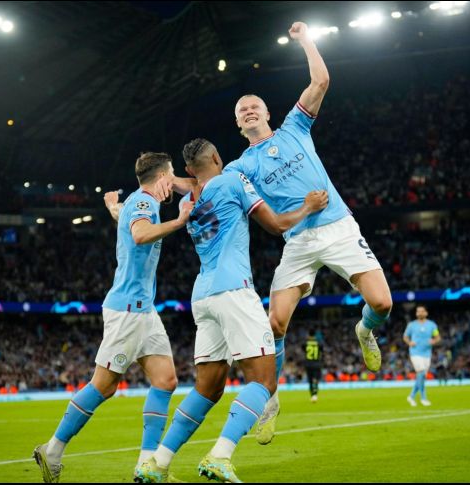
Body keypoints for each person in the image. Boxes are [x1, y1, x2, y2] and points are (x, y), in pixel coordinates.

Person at [164, 21, 392, 445]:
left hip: (339, 227)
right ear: (237, 124)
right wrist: (169, 183)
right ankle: (269, 399)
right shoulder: (238, 167)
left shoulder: (295, 128)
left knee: (381, 302)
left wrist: (305, 38)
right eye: (241, 110)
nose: (249, 111)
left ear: (267, 113)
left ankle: (365, 330)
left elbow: (321, 80)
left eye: (254, 106)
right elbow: (204, 184)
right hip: (299, 242)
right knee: (275, 323)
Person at [134, 138, 327, 483]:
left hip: (203, 296)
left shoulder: (191, 198)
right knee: (264, 381)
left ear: (190, 171)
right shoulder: (235, 181)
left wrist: (180, 181)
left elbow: (195, 183)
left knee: (208, 389)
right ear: (218, 157)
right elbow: (278, 224)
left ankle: (157, 463)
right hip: (234, 291)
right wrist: (308, 208)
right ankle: (220, 455)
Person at [32, 152, 194, 483]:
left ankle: (147, 466)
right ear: (162, 176)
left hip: (144, 310)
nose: (173, 181)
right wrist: (179, 221)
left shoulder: (137, 203)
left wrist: (112, 209)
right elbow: (139, 234)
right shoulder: (145, 204)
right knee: (103, 386)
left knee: (165, 381)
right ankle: (52, 450)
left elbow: (128, 222)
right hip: (128, 311)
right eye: (171, 175)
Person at [403, 305, 440, 407]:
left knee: (422, 376)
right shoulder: (411, 325)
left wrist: (434, 341)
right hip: (415, 352)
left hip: (427, 353)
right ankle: (423, 398)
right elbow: (405, 337)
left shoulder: (432, 325)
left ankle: (411, 396)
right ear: (416, 313)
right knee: (421, 372)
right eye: (418, 311)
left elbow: (437, 337)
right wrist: (409, 343)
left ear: (426, 313)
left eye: (421, 311)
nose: (419, 313)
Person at [304, 328, 324, 403]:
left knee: (310, 380)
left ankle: (312, 395)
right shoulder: (319, 342)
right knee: (315, 380)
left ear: (309, 334)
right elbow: (322, 350)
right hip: (316, 363)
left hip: (308, 364)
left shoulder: (306, 342)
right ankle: (315, 395)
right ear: (315, 334)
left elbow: (304, 349)